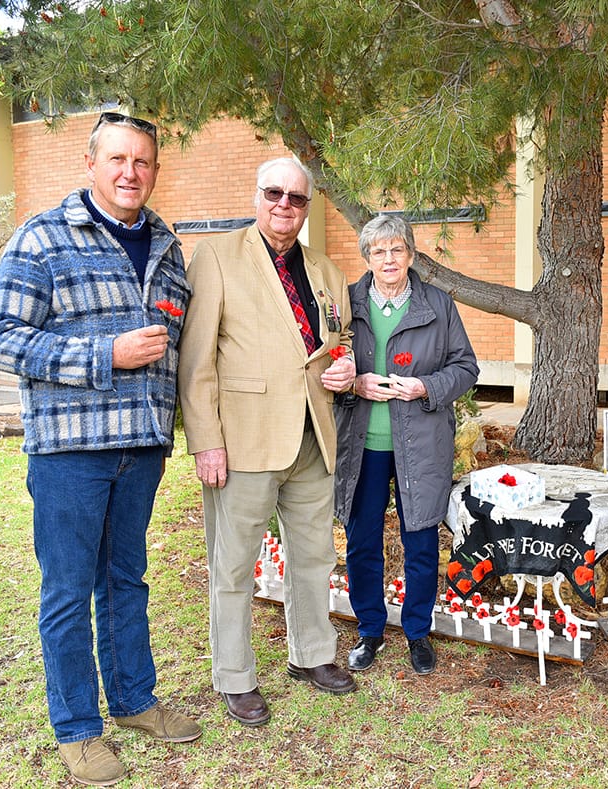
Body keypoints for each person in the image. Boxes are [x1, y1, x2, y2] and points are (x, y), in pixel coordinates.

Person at [0, 112, 200, 786]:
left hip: (141, 449)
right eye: (118, 159)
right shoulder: (43, 238)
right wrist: (105, 353)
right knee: (70, 590)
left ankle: (134, 700)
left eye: (143, 162)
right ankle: (77, 728)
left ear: (155, 170)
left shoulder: (164, 244)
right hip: (71, 452)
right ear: (90, 161)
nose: (131, 172)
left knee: (126, 580)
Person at [178, 156, 358, 727]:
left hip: (313, 437)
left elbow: (340, 337)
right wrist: (206, 440)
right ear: (257, 195)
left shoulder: (327, 270)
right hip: (244, 441)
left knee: (314, 557)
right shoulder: (216, 257)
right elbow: (196, 359)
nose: (285, 205)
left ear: (308, 206)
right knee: (233, 565)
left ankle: (313, 655)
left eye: (296, 198)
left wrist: (346, 366)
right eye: (274, 193)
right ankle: (234, 675)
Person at [334, 215, 479, 676]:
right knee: (362, 542)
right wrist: (353, 382)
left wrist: (425, 387)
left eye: (397, 249)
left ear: (411, 255)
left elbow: (466, 367)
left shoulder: (438, 304)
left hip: (420, 442)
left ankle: (418, 631)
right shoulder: (346, 304)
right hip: (364, 444)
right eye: (379, 251)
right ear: (368, 257)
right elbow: (324, 365)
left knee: (419, 538)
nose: (389, 259)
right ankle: (370, 629)